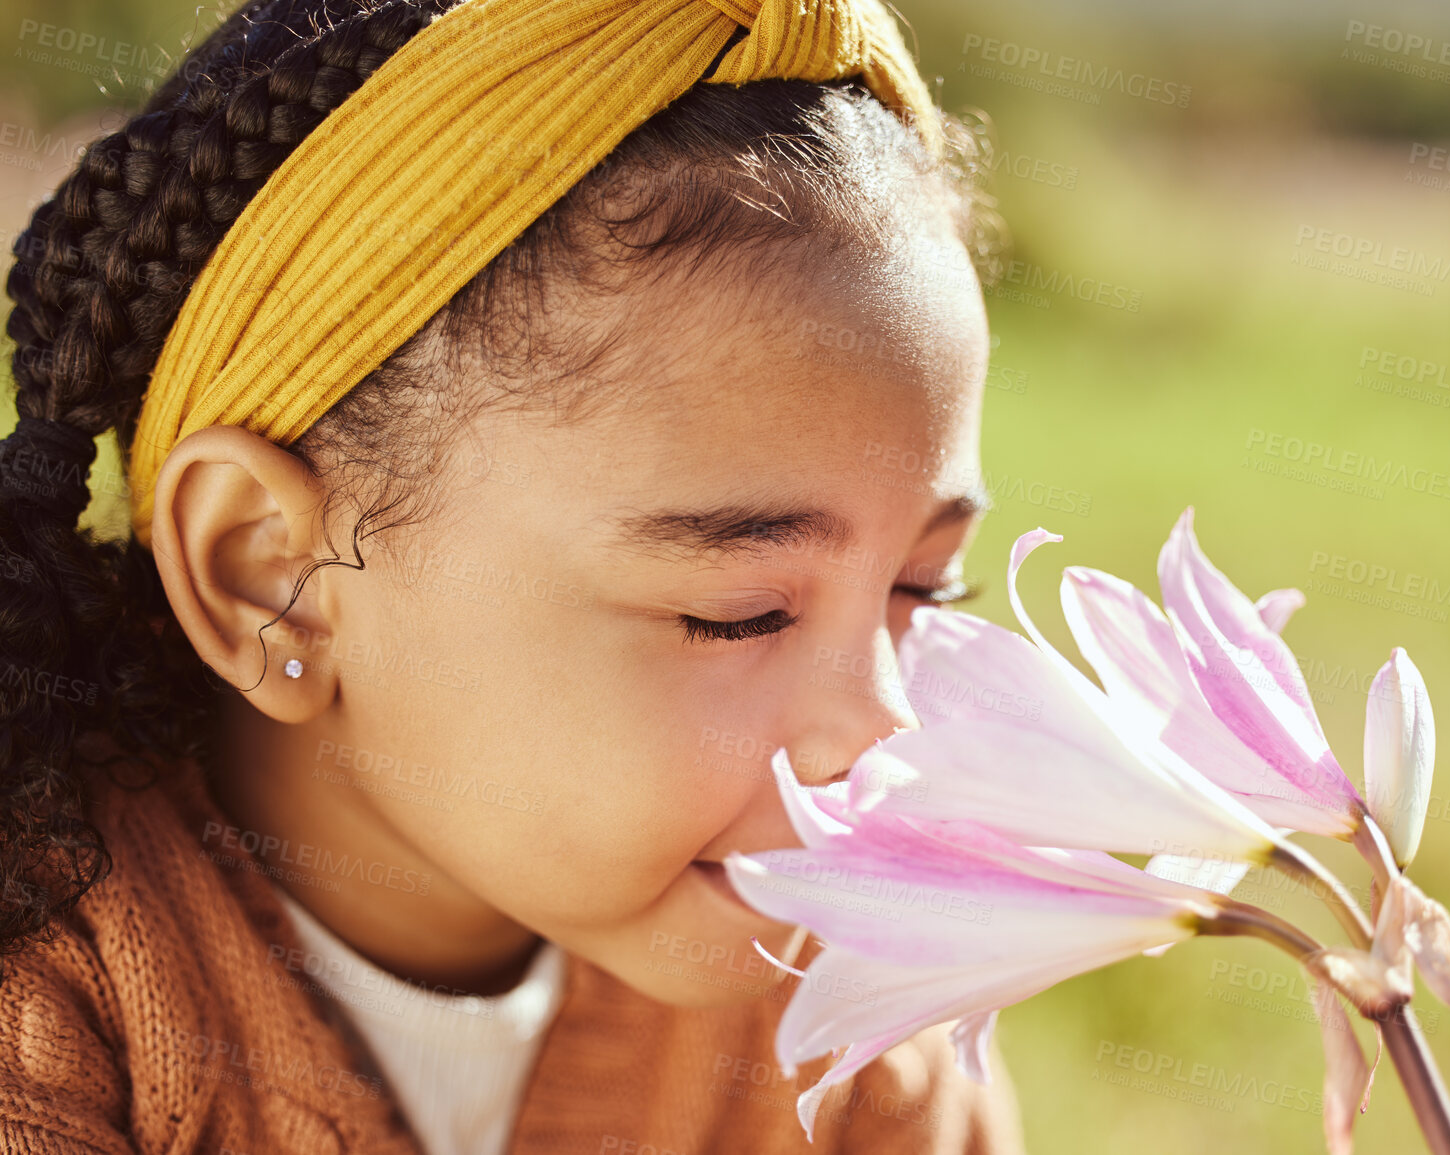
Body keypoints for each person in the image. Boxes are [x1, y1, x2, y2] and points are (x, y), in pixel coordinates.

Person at [0, 0, 1024, 1150]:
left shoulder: (851, 1027)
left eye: (923, 588)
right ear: (268, 573)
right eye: (739, 613)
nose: (885, 729)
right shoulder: (48, 1018)